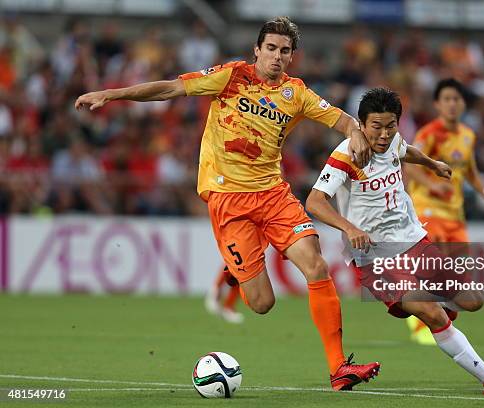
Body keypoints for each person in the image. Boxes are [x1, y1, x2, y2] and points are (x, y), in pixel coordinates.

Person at [75, 16, 379, 391]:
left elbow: (341, 119)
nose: (277, 57)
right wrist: (113, 94)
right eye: (271, 48)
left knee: (316, 265)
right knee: (262, 303)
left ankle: (338, 369)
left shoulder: (296, 93)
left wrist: (355, 132)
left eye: (285, 51)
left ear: (292, 56)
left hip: (273, 195)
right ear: (257, 49)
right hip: (228, 201)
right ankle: (234, 273)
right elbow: (171, 89)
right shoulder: (231, 76)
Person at [306, 87, 484, 395]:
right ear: (361, 125)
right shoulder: (347, 155)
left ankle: (446, 313)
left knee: (473, 301)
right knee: (429, 311)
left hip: (414, 240)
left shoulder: (393, 142)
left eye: (391, 125)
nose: (384, 134)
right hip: (374, 256)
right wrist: (348, 228)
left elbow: (405, 149)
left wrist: (431, 163)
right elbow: (315, 202)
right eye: (376, 126)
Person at [403, 78, 484, 344]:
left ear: (463, 103)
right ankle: (419, 322)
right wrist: (432, 183)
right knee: (436, 269)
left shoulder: (468, 135)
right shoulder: (428, 133)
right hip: (428, 210)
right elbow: (410, 167)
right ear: (437, 104)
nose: (452, 104)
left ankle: (436, 316)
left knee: (458, 278)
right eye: (447, 99)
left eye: (456, 99)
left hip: (455, 215)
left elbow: (471, 172)